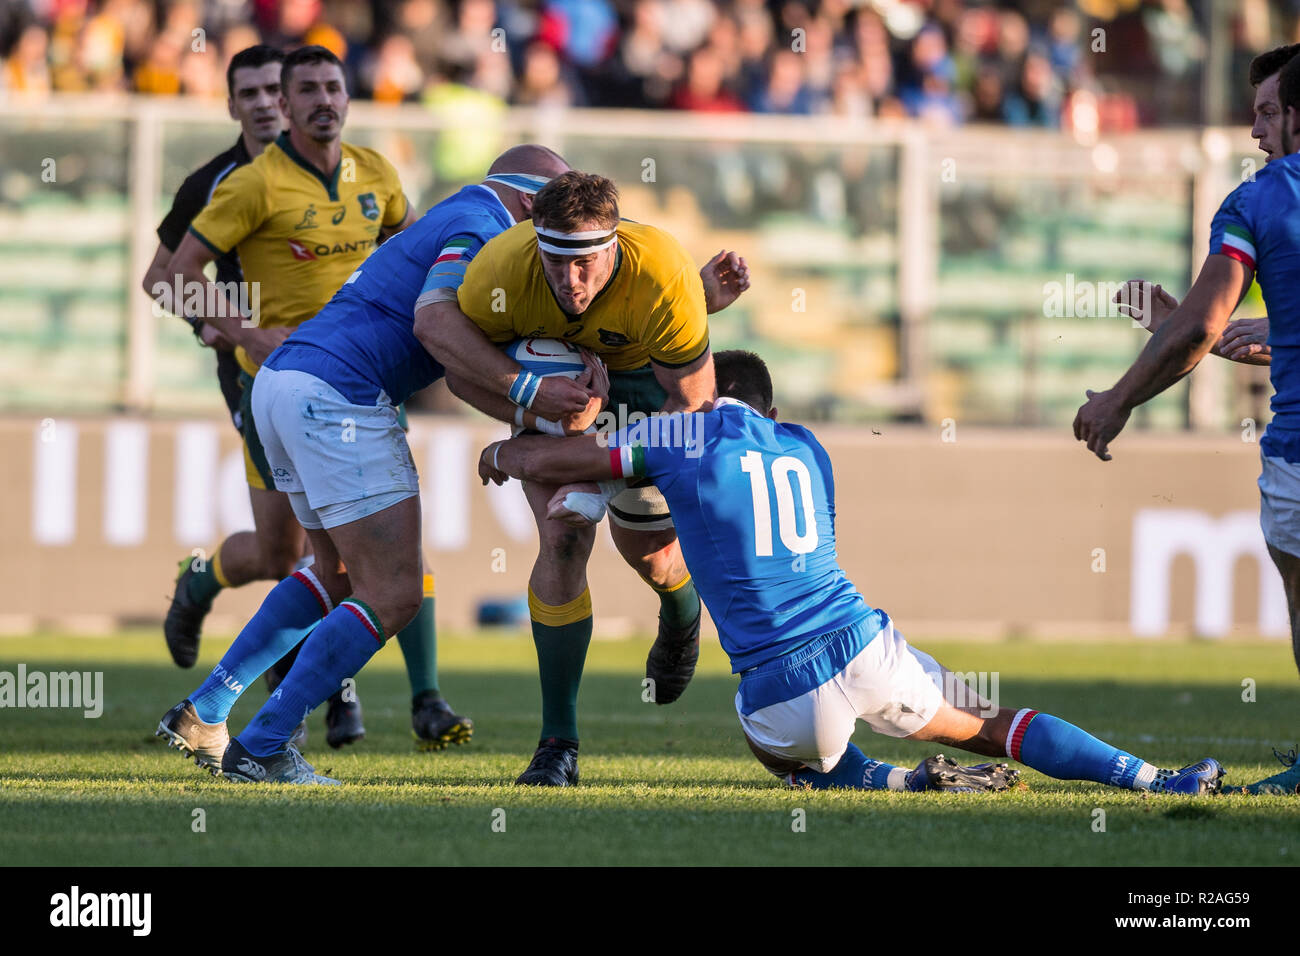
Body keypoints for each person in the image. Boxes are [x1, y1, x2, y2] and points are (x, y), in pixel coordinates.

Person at [476, 350, 1225, 795]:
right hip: (864, 646)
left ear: (699, 392)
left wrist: (506, 454)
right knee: (998, 725)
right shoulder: (807, 446)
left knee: (771, 743)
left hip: (778, 690)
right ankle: (1158, 780)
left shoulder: (679, 435)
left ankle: (890, 781)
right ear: (769, 408)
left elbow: (564, 459)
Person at [155, 145, 574, 784]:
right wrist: (531, 394)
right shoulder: (484, 229)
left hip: (282, 382)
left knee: (337, 572)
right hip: (340, 396)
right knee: (396, 593)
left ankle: (207, 708)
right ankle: (264, 745)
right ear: (526, 201)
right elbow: (436, 332)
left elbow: (459, 373)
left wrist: (536, 416)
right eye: (555, 223)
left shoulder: (457, 215)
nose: (560, 245)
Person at [157, 45, 461, 753]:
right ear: (282, 108)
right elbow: (174, 275)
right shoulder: (247, 185)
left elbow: (416, 252)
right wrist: (247, 333)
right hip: (286, 385)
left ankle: (401, 700)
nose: (324, 99)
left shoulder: (377, 174)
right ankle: (261, 699)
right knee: (318, 557)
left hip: (362, 386)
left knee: (336, 561)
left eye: (334, 85)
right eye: (307, 90)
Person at [421, 171, 751, 786]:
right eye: (555, 262)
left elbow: (692, 419)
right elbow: (458, 369)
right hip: (550, 402)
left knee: (653, 560)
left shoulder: (663, 272)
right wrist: (531, 401)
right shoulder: (502, 267)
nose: (570, 282)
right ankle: (558, 745)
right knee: (565, 534)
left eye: (586, 264)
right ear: (535, 243)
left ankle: (681, 613)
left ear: (615, 244)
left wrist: (597, 454)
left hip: (647, 405)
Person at [1074, 53, 1300, 796]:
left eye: (1268, 112)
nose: (1255, 127)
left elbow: (1203, 326)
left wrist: (1117, 400)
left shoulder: (1258, 201)